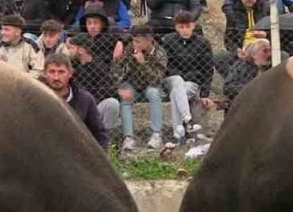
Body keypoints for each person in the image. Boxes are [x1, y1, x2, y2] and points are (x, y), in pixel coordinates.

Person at [160, 10, 213, 145]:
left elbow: (207, 69)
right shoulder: (168, 41)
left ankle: (178, 135)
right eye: (181, 27)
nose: (185, 30)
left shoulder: (203, 43)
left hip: (192, 83)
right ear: (176, 27)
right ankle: (187, 119)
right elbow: (166, 66)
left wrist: (205, 93)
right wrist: (181, 76)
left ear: (193, 26)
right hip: (170, 80)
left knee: (176, 93)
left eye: (188, 26)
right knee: (177, 81)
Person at [112, 24, 166, 152]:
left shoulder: (159, 53)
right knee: (126, 97)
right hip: (134, 84)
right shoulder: (131, 48)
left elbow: (156, 80)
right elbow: (118, 68)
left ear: (149, 40)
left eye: (138, 41)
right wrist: (119, 86)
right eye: (133, 40)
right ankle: (128, 137)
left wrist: (143, 63)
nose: (134, 44)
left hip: (151, 86)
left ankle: (156, 134)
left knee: (154, 94)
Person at [41, 53, 108, 147]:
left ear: (70, 73)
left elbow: (99, 133)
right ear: (44, 73)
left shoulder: (85, 100)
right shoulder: (35, 99)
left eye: (61, 72)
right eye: (52, 72)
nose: (56, 77)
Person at [223, 37, 273, 103]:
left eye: (270, 51)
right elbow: (228, 87)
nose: (269, 54)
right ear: (253, 54)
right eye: (265, 51)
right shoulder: (241, 66)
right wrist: (252, 88)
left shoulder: (273, 66)